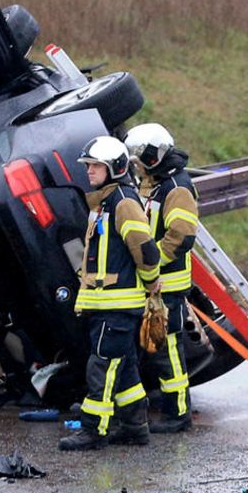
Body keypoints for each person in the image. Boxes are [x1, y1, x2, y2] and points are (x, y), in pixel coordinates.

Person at [60, 136, 161, 452]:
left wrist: (151, 283)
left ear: (115, 168)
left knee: (101, 366)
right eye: (88, 165)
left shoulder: (123, 202)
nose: (89, 171)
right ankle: (134, 426)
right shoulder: (104, 202)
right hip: (104, 305)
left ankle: (94, 430)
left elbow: (145, 250)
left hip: (118, 306)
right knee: (125, 366)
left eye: (96, 166)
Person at [125, 123, 200, 434]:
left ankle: (178, 413)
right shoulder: (155, 183)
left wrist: (150, 263)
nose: (136, 168)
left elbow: (181, 236)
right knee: (151, 349)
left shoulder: (176, 188)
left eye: (138, 161)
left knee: (168, 352)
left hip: (166, 285)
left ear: (152, 157)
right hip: (151, 283)